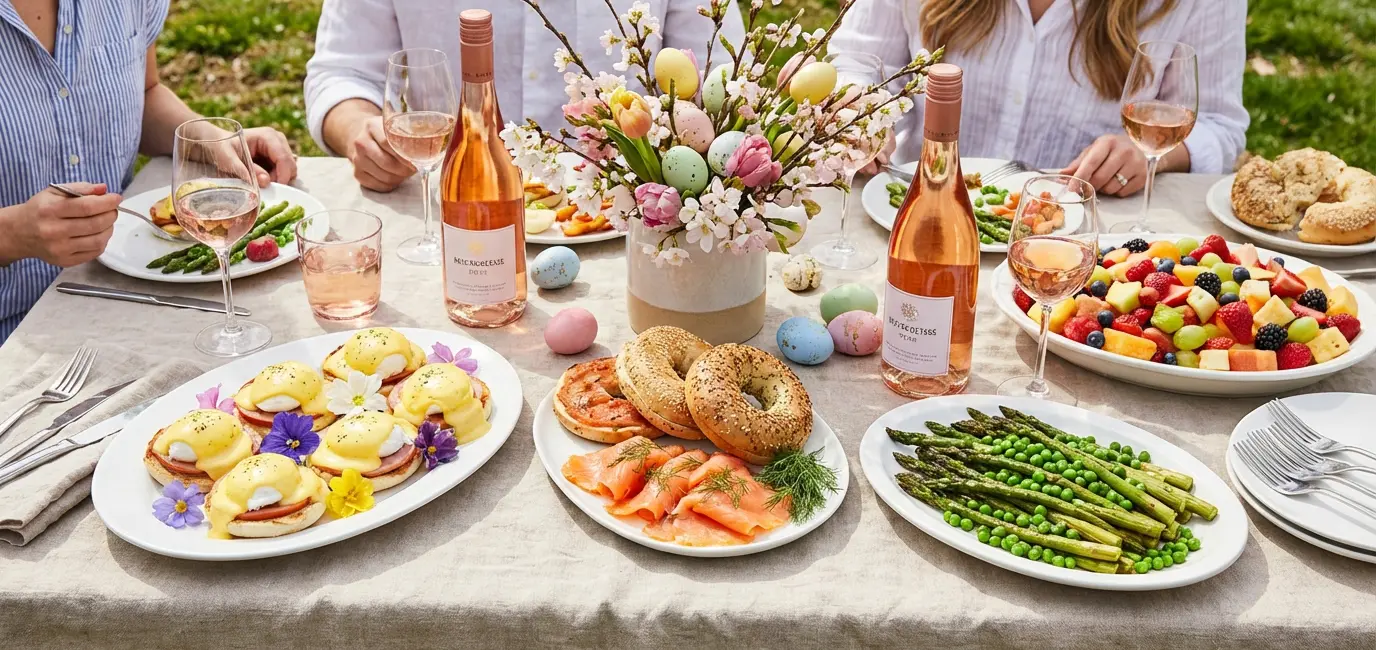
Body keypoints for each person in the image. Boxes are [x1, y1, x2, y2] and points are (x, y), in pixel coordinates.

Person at [0, 0, 298, 343]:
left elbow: (145, 92)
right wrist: (13, 233)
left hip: (129, 294)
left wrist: (209, 140)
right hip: (13, 329)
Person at [305, 0, 744, 193]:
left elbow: (722, 80)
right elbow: (342, 73)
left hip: (639, 224)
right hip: (450, 215)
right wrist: (359, 132)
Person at [830, 0, 1249, 196]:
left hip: (1080, 246)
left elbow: (1219, 125)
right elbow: (859, 62)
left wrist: (1148, 155)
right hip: (909, 207)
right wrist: (860, 112)